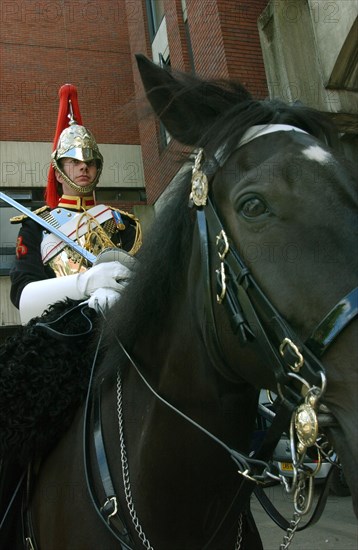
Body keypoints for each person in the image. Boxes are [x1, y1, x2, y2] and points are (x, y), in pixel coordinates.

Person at [9, 83, 141, 323]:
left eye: (90, 162)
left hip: (119, 324)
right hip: (62, 330)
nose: (83, 166)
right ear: (58, 174)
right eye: (74, 160)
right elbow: (22, 295)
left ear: (97, 169)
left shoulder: (121, 223)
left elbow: (144, 278)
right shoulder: (36, 225)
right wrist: (85, 284)